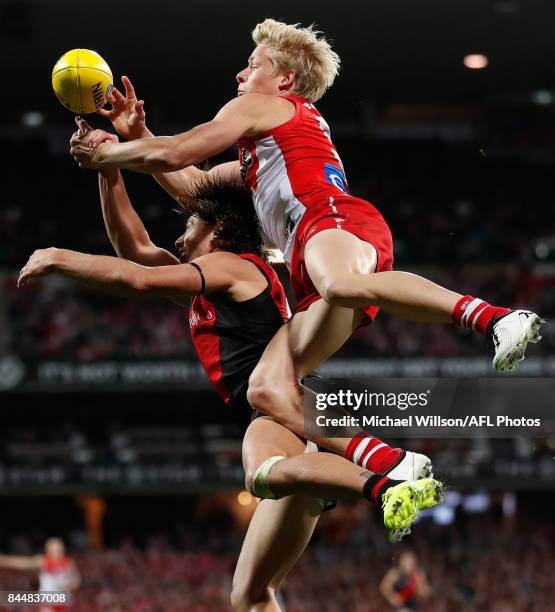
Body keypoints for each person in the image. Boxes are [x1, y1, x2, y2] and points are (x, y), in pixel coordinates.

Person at [68, 19, 544, 474]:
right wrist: (136, 134)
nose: (241, 73)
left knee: (341, 284)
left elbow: (179, 152)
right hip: (315, 259)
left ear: (285, 79)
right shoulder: (263, 151)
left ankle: (497, 318)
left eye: (253, 64)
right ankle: (390, 465)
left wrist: (105, 155)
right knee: (268, 388)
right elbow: (193, 187)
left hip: (331, 222)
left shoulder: (260, 107)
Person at [19, 150, 442, 610]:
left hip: (281, 411)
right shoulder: (220, 284)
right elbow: (135, 252)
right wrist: (108, 170)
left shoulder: (235, 266)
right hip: (295, 418)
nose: (179, 239)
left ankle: (384, 485)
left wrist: (60, 256)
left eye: (189, 226)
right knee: (250, 595)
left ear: (218, 229)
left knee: (261, 475)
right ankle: (382, 484)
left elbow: (137, 279)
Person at [0, 537, 81, 612]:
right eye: (52, 548)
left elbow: (76, 581)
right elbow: (25, 563)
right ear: (48, 549)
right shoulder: (43, 561)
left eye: (57, 548)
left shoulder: (68, 563)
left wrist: (70, 585)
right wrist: (5, 560)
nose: (55, 551)